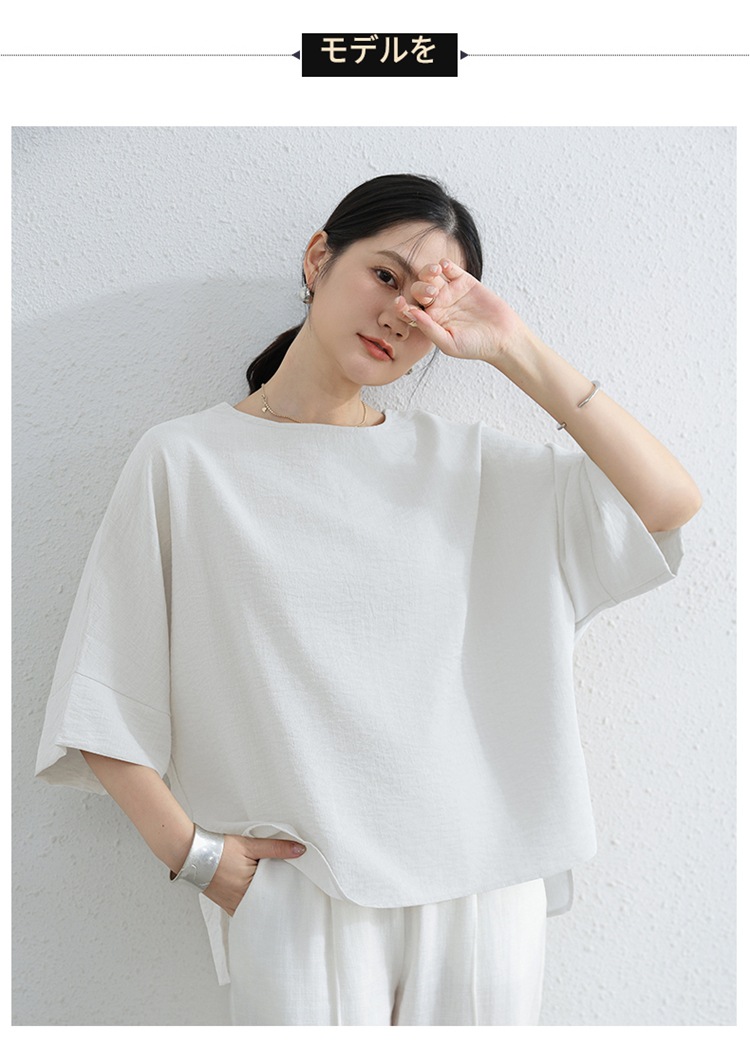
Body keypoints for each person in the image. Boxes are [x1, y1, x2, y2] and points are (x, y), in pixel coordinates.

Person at [35, 173, 702, 1026]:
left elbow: (666, 502)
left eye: (424, 304)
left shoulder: (471, 468)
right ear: (319, 258)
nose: (396, 315)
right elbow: (103, 692)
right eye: (385, 276)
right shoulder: (184, 463)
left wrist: (513, 347)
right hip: (299, 883)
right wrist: (202, 860)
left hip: (482, 887)